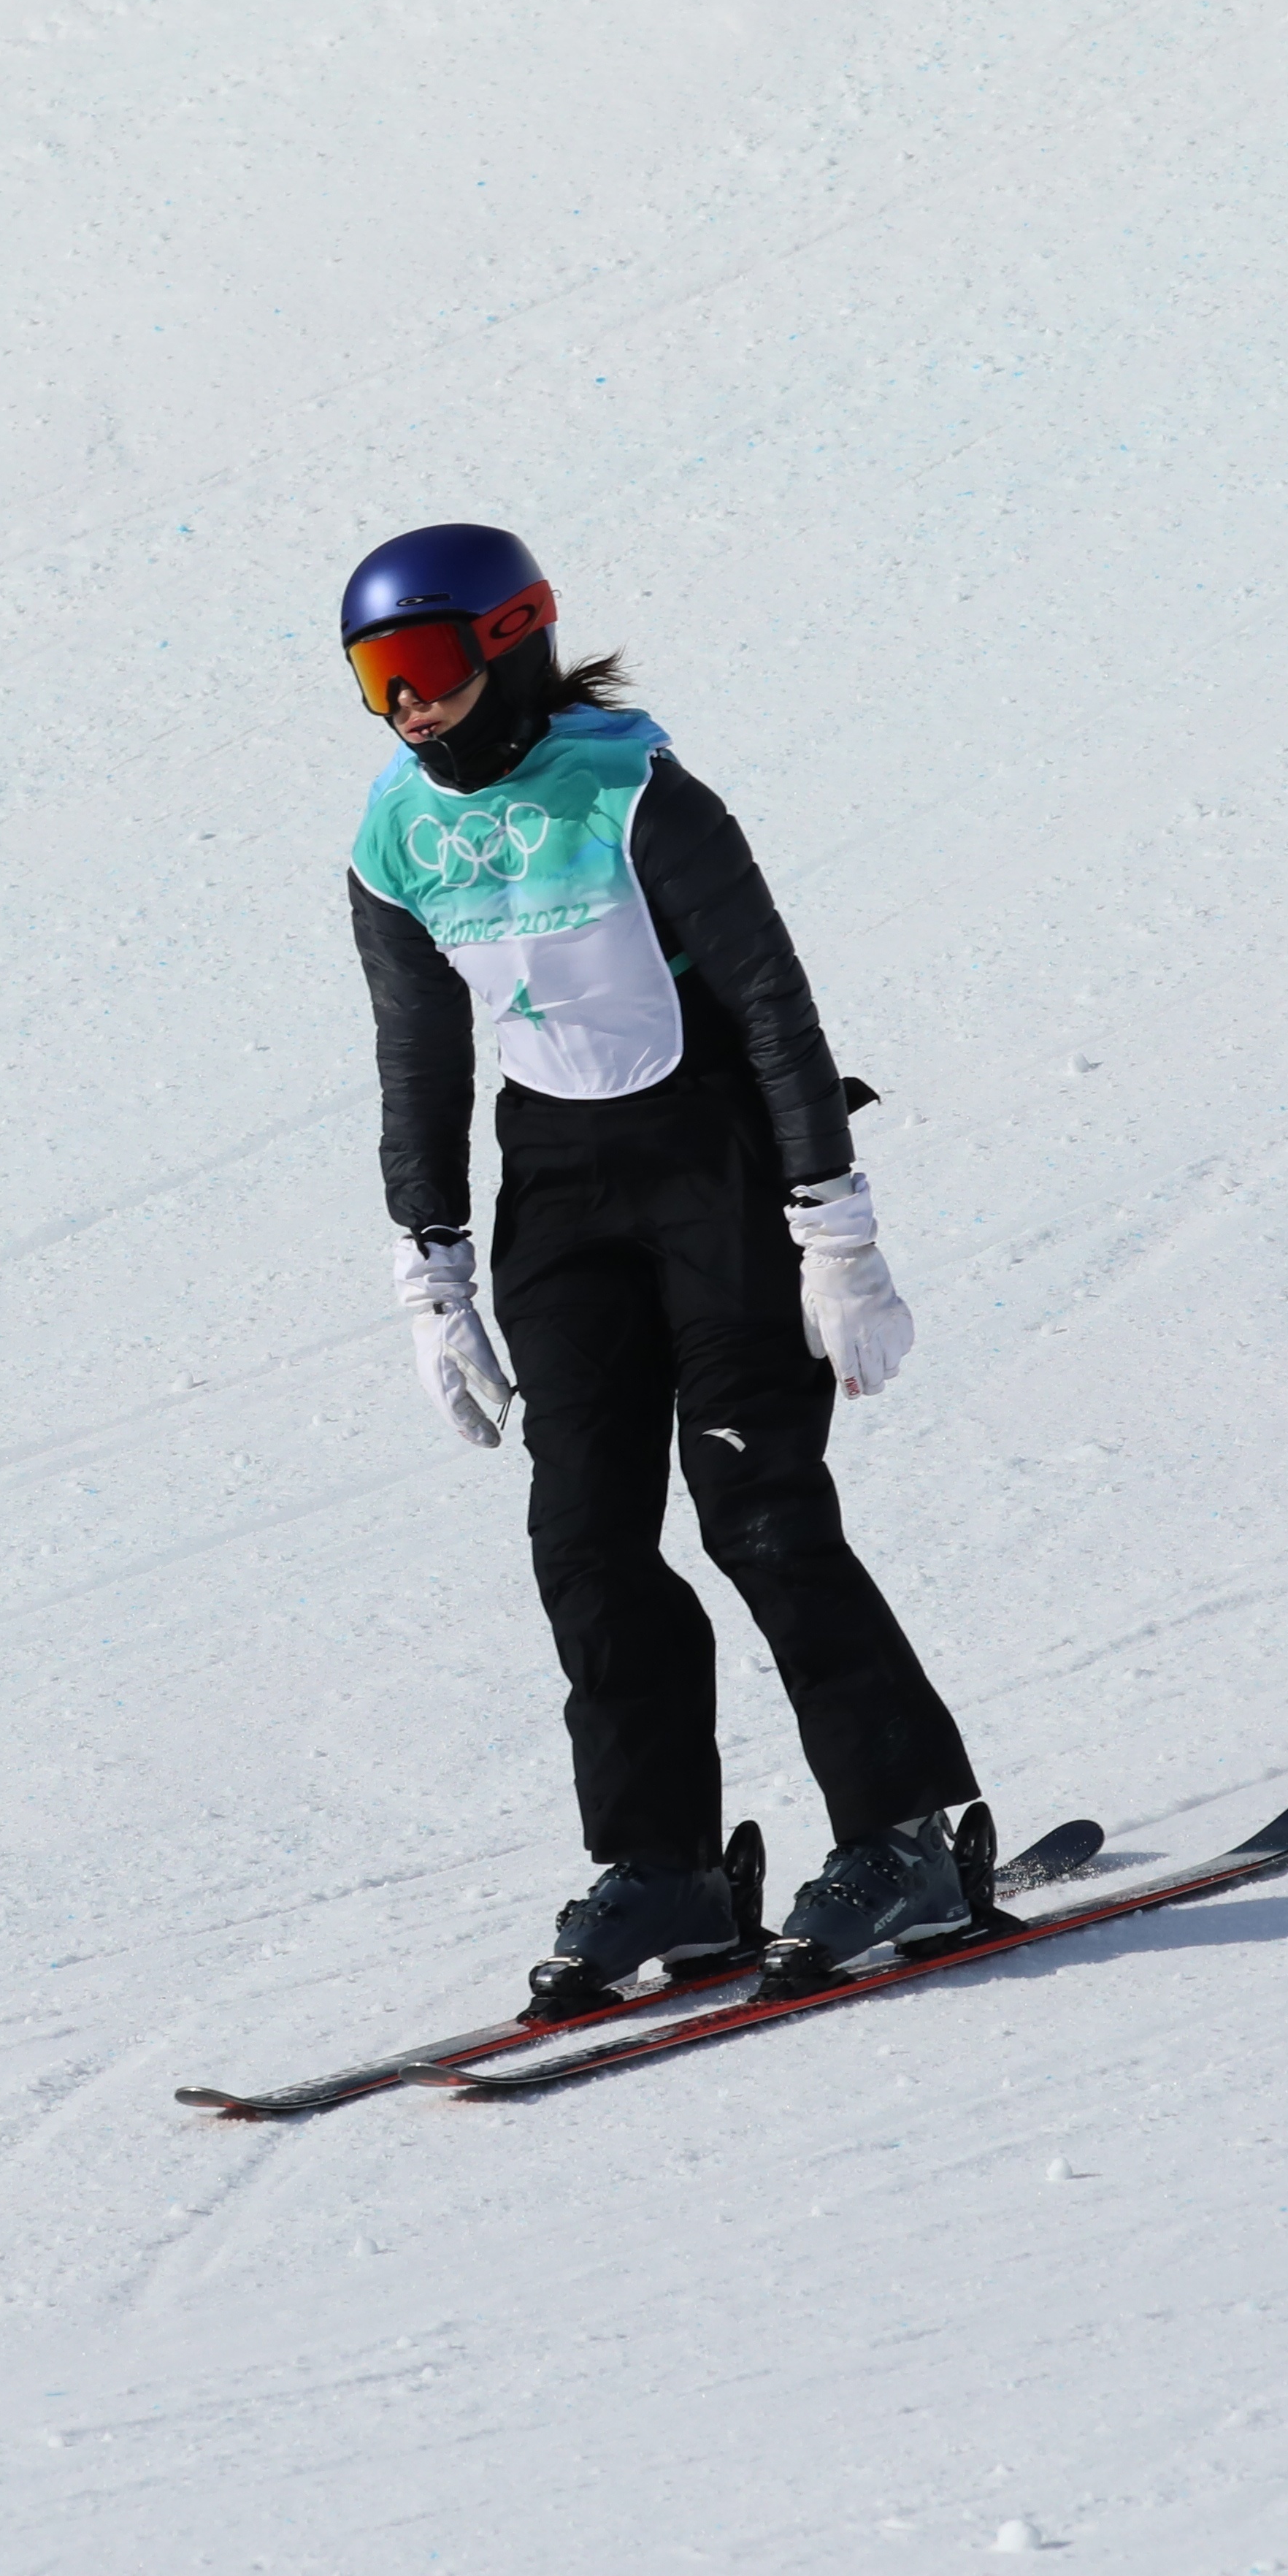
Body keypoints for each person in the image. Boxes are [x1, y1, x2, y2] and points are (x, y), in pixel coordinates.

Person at [337, 521, 992, 2013]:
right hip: (557, 1192)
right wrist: (430, 1268)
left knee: (759, 1512)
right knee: (584, 1538)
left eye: (426, 670)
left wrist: (835, 1225)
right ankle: (666, 1870)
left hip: (716, 1162)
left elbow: (774, 1004)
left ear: (510, 642)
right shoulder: (397, 838)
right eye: (376, 683)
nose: (408, 711)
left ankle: (905, 1836)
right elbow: (418, 1057)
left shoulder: (641, 794)